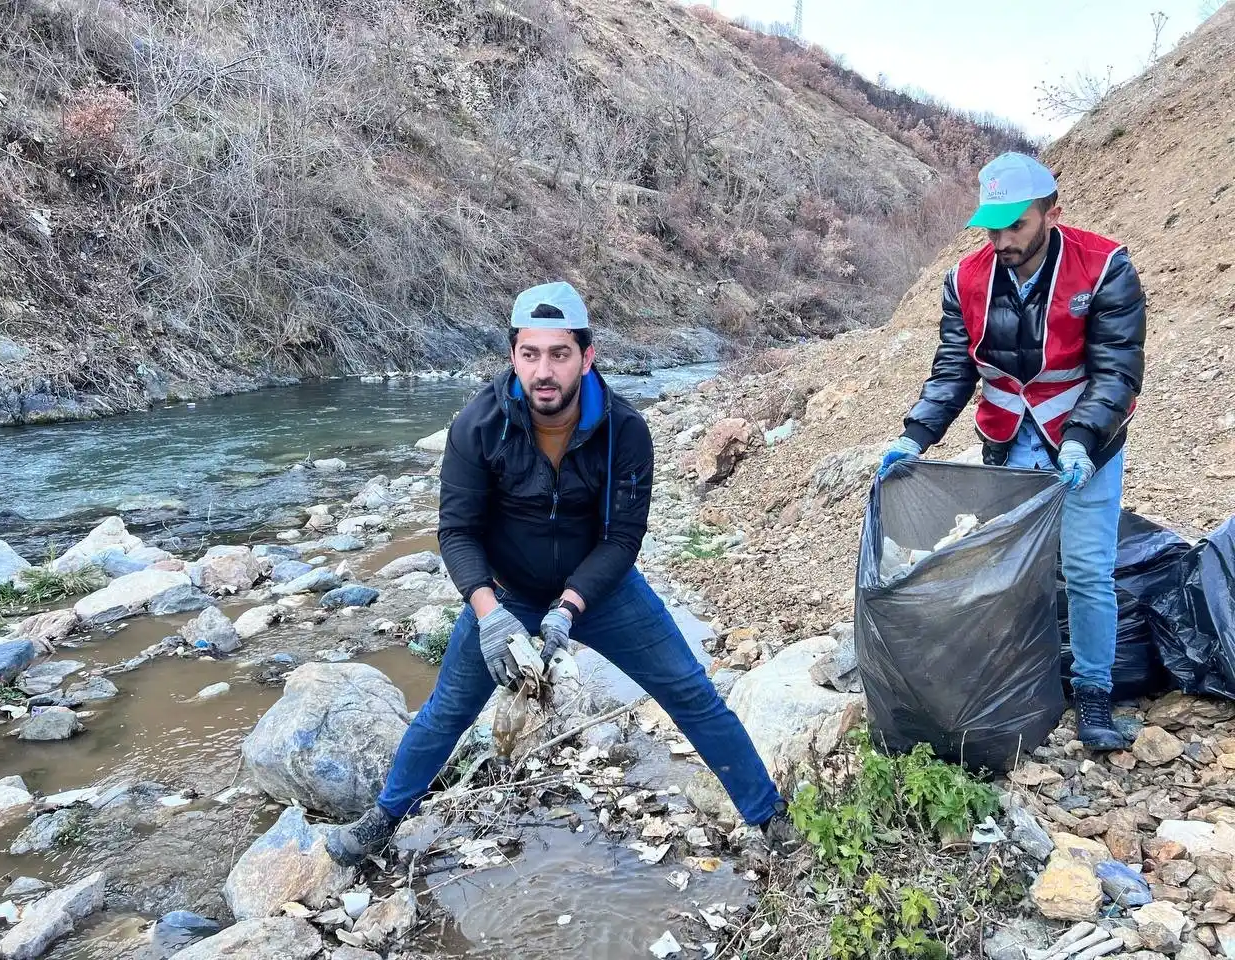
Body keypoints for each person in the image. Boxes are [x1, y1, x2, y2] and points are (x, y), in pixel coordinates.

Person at [328, 280, 796, 866]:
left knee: (691, 692)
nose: (543, 370)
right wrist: (488, 612)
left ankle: (770, 819)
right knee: (448, 709)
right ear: (513, 355)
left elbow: (624, 537)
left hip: (602, 590)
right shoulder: (479, 425)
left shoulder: (624, 430)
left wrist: (572, 604)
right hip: (507, 594)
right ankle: (384, 817)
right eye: (530, 354)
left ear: (587, 357)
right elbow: (457, 531)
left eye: (558, 354)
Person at [879, 152, 1146, 752]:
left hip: (1085, 441)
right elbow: (954, 370)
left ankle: (1095, 697)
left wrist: (1082, 440)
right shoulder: (965, 280)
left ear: (1052, 211)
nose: (1002, 241)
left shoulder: (1104, 268)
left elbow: (1116, 370)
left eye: (1015, 226)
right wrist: (915, 433)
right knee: (1014, 572)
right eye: (992, 228)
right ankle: (1019, 687)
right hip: (1007, 436)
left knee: (1085, 570)